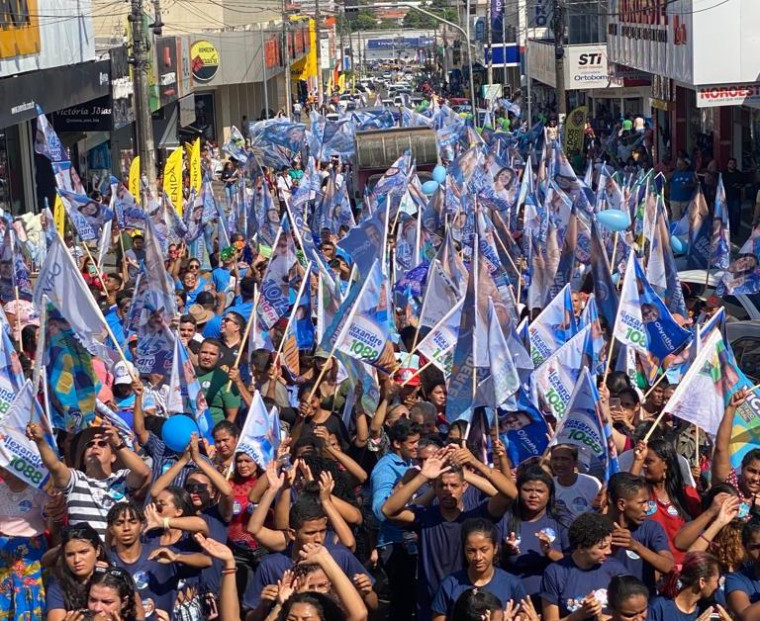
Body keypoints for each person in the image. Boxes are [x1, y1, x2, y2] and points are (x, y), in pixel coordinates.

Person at [27, 423, 151, 539]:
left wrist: (117, 443)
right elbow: (54, 466)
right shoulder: (75, 479)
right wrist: (40, 441)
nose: (95, 446)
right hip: (85, 553)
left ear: (113, 457)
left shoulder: (122, 477)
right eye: (89, 445)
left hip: (118, 553)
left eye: (102, 444)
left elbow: (143, 472)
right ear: (84, 459)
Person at [539, 511, 630, 621]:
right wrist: (579, 615)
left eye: (610, 545)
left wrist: (600, 617)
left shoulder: (616, 570)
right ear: (581, 548)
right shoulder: (555, 573)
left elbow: (631, 615)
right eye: (602, 547)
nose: (609, 551)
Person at [498, 467, 570, 604]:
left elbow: (575, 562)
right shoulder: (506, 518)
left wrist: (550, 552)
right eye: (527, 490)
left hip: (553, 603)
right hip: (513, 601)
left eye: (540, 491)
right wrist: (505, 552)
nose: (533, 495)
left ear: (549, 494)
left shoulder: (560, 519)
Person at [431, 518, 528, 620]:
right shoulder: (450, 585)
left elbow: (524, 614)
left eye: (484, 550)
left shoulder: (512, 584)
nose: (478, 557)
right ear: (464, 550)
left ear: (495, 548)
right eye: (471, 551)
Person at [606, 472, 674, 592]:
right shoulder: (596, 528)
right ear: (622, 504)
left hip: (643, 604)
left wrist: (636, 546)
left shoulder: (651, 528)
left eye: (648, 502)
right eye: (642, 503)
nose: (647, 508)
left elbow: (669, 566)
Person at [0, 467, 50, 620]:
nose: (4, 473)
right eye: (1, 469)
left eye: (8, 469)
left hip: (31, 551)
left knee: (30, 595)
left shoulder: (37, 491)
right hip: (4, 551)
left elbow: (50, 521)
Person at [46, 524, 110, 620]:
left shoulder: (113, 578)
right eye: (70, 554)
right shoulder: (58, 584)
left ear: (97, 551)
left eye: (83, 552)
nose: (76, 560)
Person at [648, 552, 730, 621]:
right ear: (702, 582)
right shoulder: (659, 607)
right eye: (716, 581)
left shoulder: (709, 610)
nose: (718, 586)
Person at [550, 444, 602, 519]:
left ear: (575, 462)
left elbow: (601, 511)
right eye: (555, 459)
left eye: (565, 459)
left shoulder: (592, 483)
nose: (559, 464)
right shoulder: (548, 485)